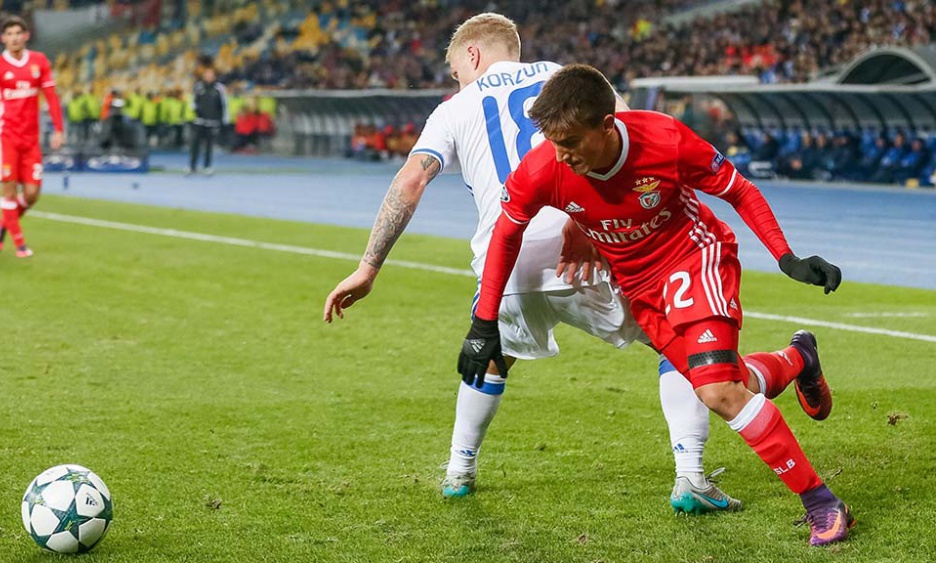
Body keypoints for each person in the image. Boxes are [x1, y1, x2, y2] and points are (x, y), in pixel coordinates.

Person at [323, 13, 802, 512]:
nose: (456, 80)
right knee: (674, 343)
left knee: (493, 354)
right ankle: (691, 476)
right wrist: (582, 218)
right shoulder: (567, 79)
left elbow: (411, 181)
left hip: (508, 261)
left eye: (455, 71)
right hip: (590, 245)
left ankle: (458, 471)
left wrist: (368, 267)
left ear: (472, 54)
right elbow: (628, 138)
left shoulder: (452, 108)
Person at [458, 64, 851, 546]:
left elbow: (739, 191)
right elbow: (505, 235)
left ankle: (823, 504)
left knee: (717, 392)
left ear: (607, 125)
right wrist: (484, 322)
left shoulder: (665, 140)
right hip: (639, 288)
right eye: (554, 143)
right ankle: (797, 358)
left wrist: (786, 258)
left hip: (694, 259)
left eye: (572, 142)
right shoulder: (545, 166)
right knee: (731, 386)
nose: (561, 155)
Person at [0, 16, 64, 258]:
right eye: (9, 34)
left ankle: (4, 222)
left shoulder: (39, 62)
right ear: (3, 38)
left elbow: (51, 97)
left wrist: (58, 129)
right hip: (6, 137)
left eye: (18, 33)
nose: (14, 38)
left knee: (32, 194)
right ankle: (20, 244)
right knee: (9, 190)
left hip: (31, 139)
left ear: (26, 36)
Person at [187, 67, 228, 175]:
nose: (209, 77)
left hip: (212, 121)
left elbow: (223, 104)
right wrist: (196, 113)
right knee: (195, 145)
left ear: (214, 76)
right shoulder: (198, 87)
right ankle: (192, 167)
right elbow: (193, 102)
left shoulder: (219, 88)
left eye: (211, 75)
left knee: (209, 146)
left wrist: (222, 119)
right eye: (207, 75)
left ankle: (207, 166)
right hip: (199, 121)